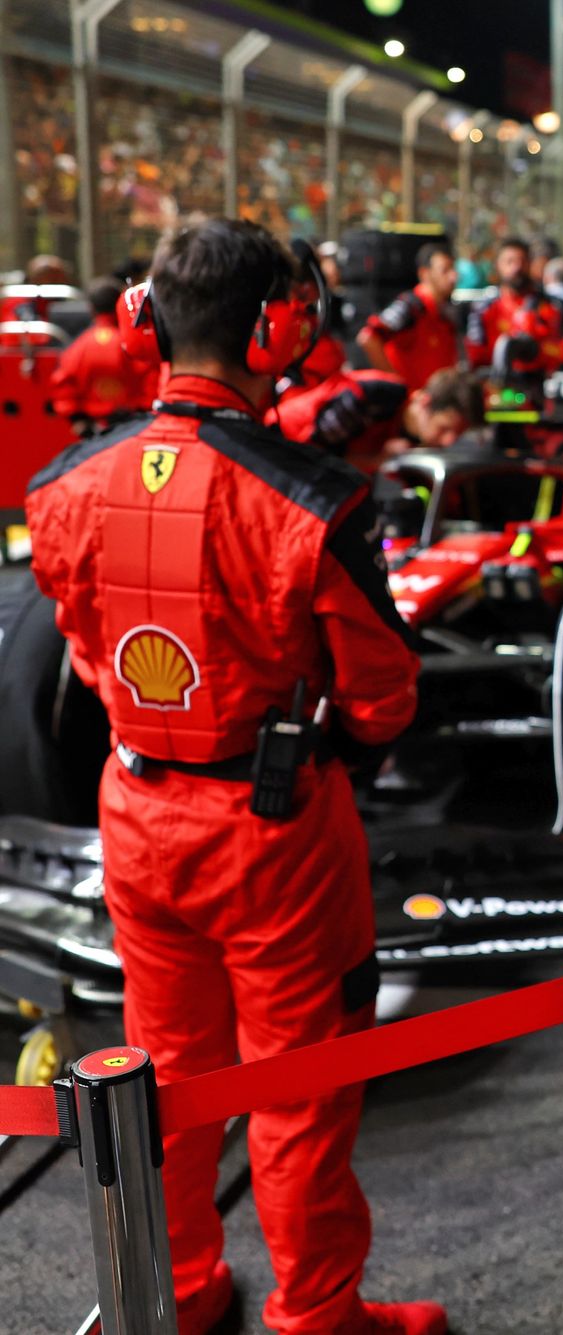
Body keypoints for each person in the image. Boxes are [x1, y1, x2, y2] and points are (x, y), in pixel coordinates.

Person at [25, 220, 443, 1335]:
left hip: (137, 812)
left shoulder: (64, 485)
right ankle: (317, 1316)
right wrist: (342, 751)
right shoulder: (315, 497)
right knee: (297, 1090)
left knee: (165, 1078)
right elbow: (382, 686)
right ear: (279, 332)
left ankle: (183, 1292)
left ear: (143, 324)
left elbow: (76, 642)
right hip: (274, 829)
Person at [275, 366, 486, 470]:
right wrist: (377, 461)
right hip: (277, 442)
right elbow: (317, 459)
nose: (449, 441)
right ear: (424, 402)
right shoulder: (371, 398)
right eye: (445, 428)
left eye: (458, 434)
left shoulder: (413, 436)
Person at [50, 276, 154, 433]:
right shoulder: (135, 344)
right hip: (135, 427)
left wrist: (76, 419)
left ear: (91, 308)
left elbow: (63, 385)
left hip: (93, 431)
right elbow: (151, 383)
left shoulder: (77, 348)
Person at [465, 236, 563, 377]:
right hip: (499, 388)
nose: (516, 267)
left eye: (522, 261)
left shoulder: (553, 305)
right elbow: (475, 355)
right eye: (509, 262)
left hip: (542, 384)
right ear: (498, 265)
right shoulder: (485, 308)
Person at [356, 241, 462, 392]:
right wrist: (399, 390)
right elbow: (368, 338)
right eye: (445, 270)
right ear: (424, 273)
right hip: (412, 409)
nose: (453, 277)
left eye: (453, 269)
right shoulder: (411, 306)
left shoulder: (447, 312)